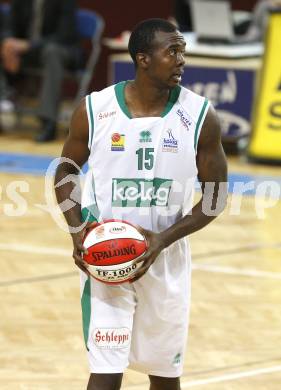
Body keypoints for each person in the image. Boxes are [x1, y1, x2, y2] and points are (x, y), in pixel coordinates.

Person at [55, 18, 228, 390]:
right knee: (105, 372)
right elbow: (65, 172)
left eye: (182, 51)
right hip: (106, 258)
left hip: (166, 261)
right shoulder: (95, 109)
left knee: (165, 378)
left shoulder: (199, 116)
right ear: (143, 59)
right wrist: (77, 233)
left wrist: (162, 239)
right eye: (173, 51)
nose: (182, 60)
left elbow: (216, 197)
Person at [1, 0, 81, 142]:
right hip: (29, 53)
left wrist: (29, 45)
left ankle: (48, 122)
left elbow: (64, 35)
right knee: (5, 47)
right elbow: (9, 25)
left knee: (52, 53)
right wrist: (8, 43)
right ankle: (4, 103)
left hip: (62, 51)